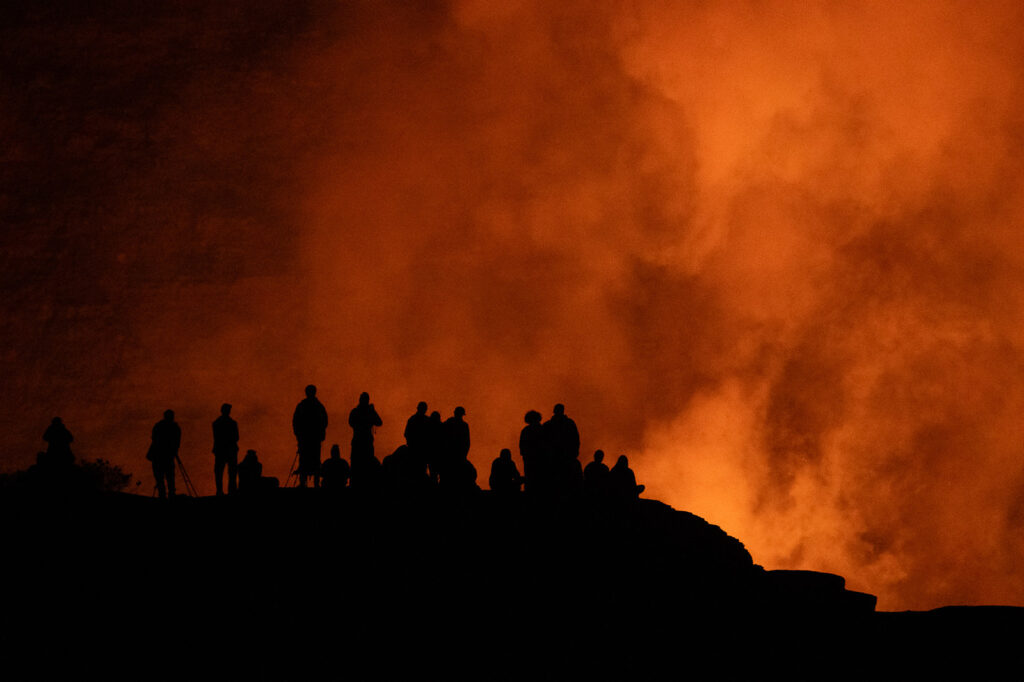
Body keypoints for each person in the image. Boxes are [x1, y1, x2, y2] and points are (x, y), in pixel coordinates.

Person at [293, 385, 328, 489]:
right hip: (310, 439)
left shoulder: (303, 406)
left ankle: (307, 483)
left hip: (308, 439)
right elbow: (325, 421)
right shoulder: (317, 406)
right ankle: (312, 483)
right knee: (311, 460)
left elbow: (296, 422)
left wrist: (299, 435)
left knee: (307, 460)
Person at [543, 404, 581, 493]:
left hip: (554, 458)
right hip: (565, 457)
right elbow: (576, 439)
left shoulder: (548, 425)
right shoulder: (570, 424)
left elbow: (543, 442)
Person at [349, 392, 382, 487]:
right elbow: (379, 422)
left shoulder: (355, 411)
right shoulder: (369, 412)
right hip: (366, 442)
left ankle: (355, 484)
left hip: (358, 442)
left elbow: (351, 423)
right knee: (366, 464)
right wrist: (372, 411)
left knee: (356, 464)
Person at [148, 409, 181, 499]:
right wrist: (174, 451)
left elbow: (154, 439)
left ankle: (163, 495)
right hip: (167, 456)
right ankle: (170, 494)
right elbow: (177, 442)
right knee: (169, 477)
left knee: (160, 477)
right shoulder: (175, 428)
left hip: (158, 456)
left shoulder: (158, 426)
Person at [212, 403, 239, 495]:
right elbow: (236, 437)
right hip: (229, 450)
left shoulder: (216, 423)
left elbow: (217, 437)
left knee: (220, 472)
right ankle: (231, 491)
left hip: (221, 450)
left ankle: (220, 491)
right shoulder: (232, 423)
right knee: (230, 472)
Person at [441, 406, 470, 488]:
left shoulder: (449, 422)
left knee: (448, 476)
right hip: (456, 454)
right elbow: (467, 442)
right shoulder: (463, 425)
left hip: (450, 454)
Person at [519, 410, 545, 494]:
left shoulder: (526, 430)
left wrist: (524, 454)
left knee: (530, 477)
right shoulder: (542, 429)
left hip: (529, 458)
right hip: (540, 458)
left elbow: (522, 445)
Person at [403, 401, 430, 472]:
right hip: (420, 450)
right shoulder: (427, 420)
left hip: (415, 449)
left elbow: (406, 434)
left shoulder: (412, 419)